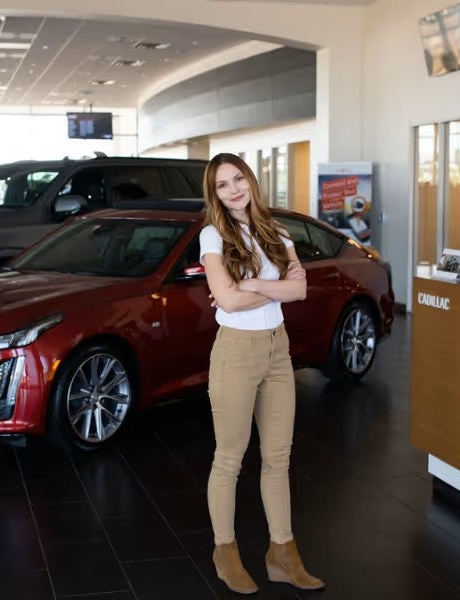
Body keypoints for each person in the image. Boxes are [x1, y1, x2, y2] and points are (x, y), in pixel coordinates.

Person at [199, 153, 324, 594]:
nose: (234, 189)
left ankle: (282, 553)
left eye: (238, 179)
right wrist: (270, 291)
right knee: (229, 459)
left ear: (250, 180)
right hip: (235, 351)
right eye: (222, 185)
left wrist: (250, 285)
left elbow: (301, 289)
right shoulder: (213, 235)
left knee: (278, 458)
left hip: (277, 348)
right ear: (214, 195)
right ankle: (224, 550)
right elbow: (228, 304)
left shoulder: (277, 231)